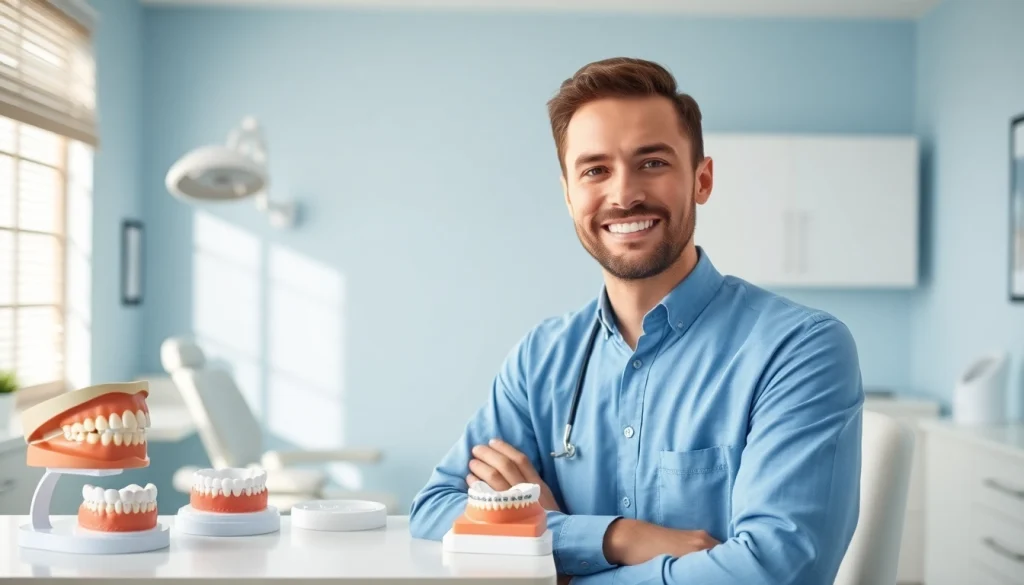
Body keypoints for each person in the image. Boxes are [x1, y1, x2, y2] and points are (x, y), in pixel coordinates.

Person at [408, 57, 863, 585]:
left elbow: (775, 571)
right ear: (568, 193)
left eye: (652, 163)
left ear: (702, 179)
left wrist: (553, 551)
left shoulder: (799, 349)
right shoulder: (541, 359)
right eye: (595, 170)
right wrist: (616, 537)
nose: (623, 195)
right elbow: (438, 508)